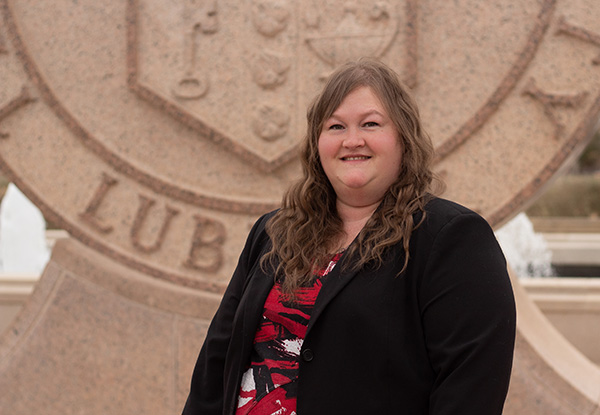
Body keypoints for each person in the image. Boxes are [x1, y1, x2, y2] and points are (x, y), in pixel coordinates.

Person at [182, 58, 516, 415]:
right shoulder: (273, 232)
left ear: (403, 137)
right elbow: (216, 362)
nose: (352, 140)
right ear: (317, 144)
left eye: (370, 124)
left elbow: (471, 386)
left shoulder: (451, 237)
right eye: (336, 126)